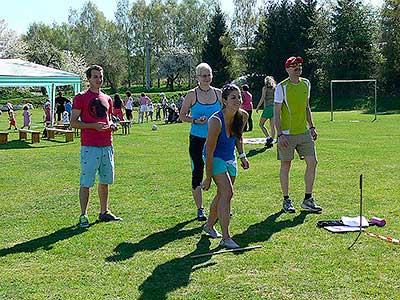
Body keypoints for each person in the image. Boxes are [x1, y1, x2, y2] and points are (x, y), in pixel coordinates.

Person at [70, 65, 122, 228]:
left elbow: (109, 119)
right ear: (88, 79)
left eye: (100, 77)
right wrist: (94, 126)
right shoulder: (80, 97)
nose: (98, 80)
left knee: (105, 180)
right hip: (89, 146)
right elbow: (73, 123)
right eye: (95, 77)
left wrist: (113, 125)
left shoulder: (107, 98)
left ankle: (104, 212)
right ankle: (83, 215)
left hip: (107, 145)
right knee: (86, 181)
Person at [201, 84, 249, 249]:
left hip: (230, 156)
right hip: (214, 157)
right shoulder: (215, 121)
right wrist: (207, 178)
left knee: (222, 194)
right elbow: (209, 151)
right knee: (228, 193)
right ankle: (226, 238)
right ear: (224, 101)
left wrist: (242, 156)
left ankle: (209, 226)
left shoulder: (243, 116)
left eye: (239, 97)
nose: (237, 100)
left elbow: (239, 137)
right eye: (233, 98)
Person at [274, 56, 322, 213]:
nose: (297, 68)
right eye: (293, 65)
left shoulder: (306, 83)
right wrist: (280, 134)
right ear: (287, 69)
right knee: (286, 165)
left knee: (312, 162)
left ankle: (308, 199)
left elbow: (306, 107)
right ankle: (286, 200)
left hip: (304, 132)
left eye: (299, 65)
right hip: (287, 134)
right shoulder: (282, 87)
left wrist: (312, 126)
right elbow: (276, 113)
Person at [179, 62, 222, 221]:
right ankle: (200, 209)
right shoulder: (192, 95)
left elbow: (225, 113)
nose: (206, 78)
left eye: (209, 74)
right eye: (203, 75)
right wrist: (195, 120)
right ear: (197, 77)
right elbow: (182, 115)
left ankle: (220, 204)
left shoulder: (218, 93)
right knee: (197, 171)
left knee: (219, 171)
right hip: (197, 139)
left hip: (216, 139)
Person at [256, 76, 276, 148]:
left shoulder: (265, 88)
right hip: (274, 107)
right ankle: (272, 140)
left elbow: (262, 98)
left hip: (268, 108)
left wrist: (258, 107)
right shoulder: (274, 88)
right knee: (272, 126)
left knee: (261, 124)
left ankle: (268, 137)